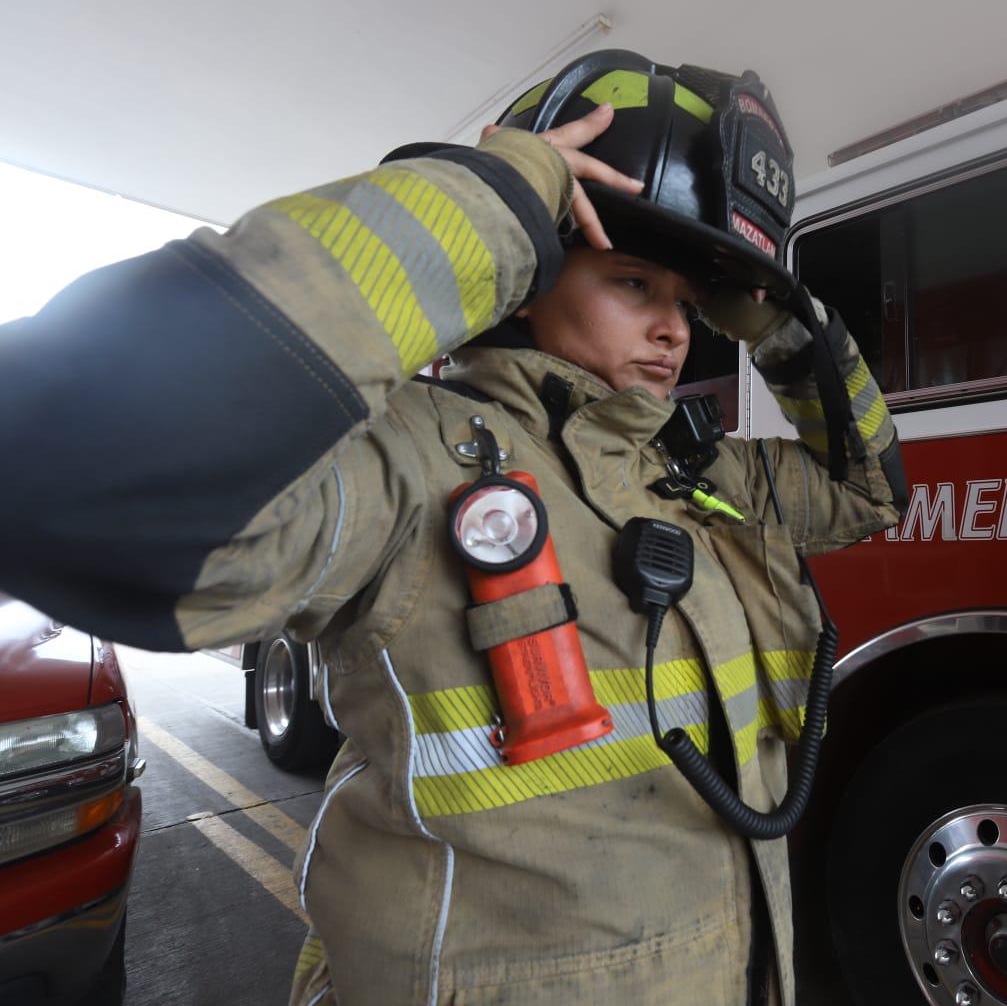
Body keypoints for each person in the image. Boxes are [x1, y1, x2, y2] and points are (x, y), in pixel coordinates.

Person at [0, 51, 907, 1004]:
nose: (676, 330)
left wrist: (779, 322)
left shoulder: (696, 472)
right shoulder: (409, 457)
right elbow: (74, 473)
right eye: (635, 283)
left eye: (688, 302)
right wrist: (499, 200)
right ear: (529, 278)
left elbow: (865, 490)